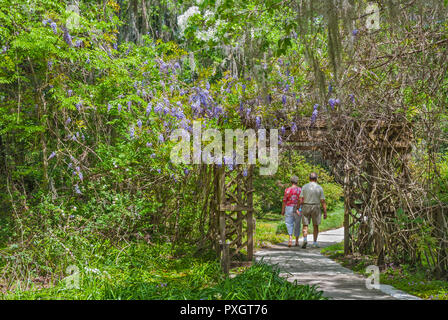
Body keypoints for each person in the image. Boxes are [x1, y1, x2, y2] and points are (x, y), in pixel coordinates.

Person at [298, 172, 327, 248]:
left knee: (305, 224)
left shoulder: (304, 187)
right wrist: (325, 212)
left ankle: (305, 239)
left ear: (309, 178)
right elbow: (323, 201)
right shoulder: (319, 187)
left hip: (306, 205)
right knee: (316, 225)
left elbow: (300, 199)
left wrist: (298, 208)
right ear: (316, 179)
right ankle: (314, 242)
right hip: (316, 206)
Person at [281, 175, 302, 247]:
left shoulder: (287, 190)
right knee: (297, 224)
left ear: (291, 182)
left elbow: (284, 201)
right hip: (297, 208)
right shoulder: (300, 190)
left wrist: (283, 210)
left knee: (289, 223)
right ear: (297, 182)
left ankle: (290, 238)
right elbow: (301, 200)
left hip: (289, 207)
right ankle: (296, 241)